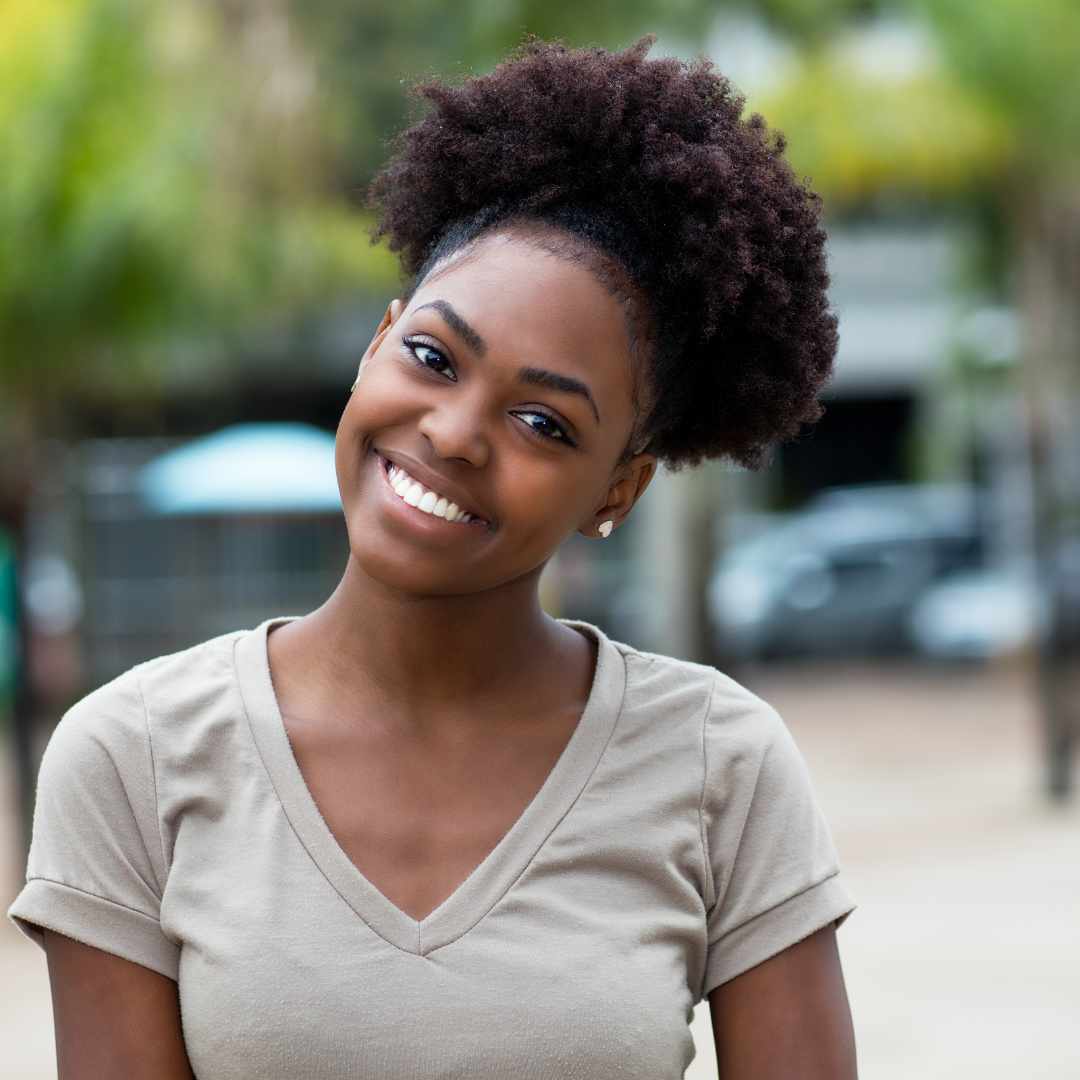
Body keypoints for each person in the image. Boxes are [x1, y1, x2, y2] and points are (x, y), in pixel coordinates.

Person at [7, 35, 858, 1079]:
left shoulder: (720, 765)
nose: (455, 433)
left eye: (545, 422)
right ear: (377, 344)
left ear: (617, 492)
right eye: (431, 358)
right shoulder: (134, 756)